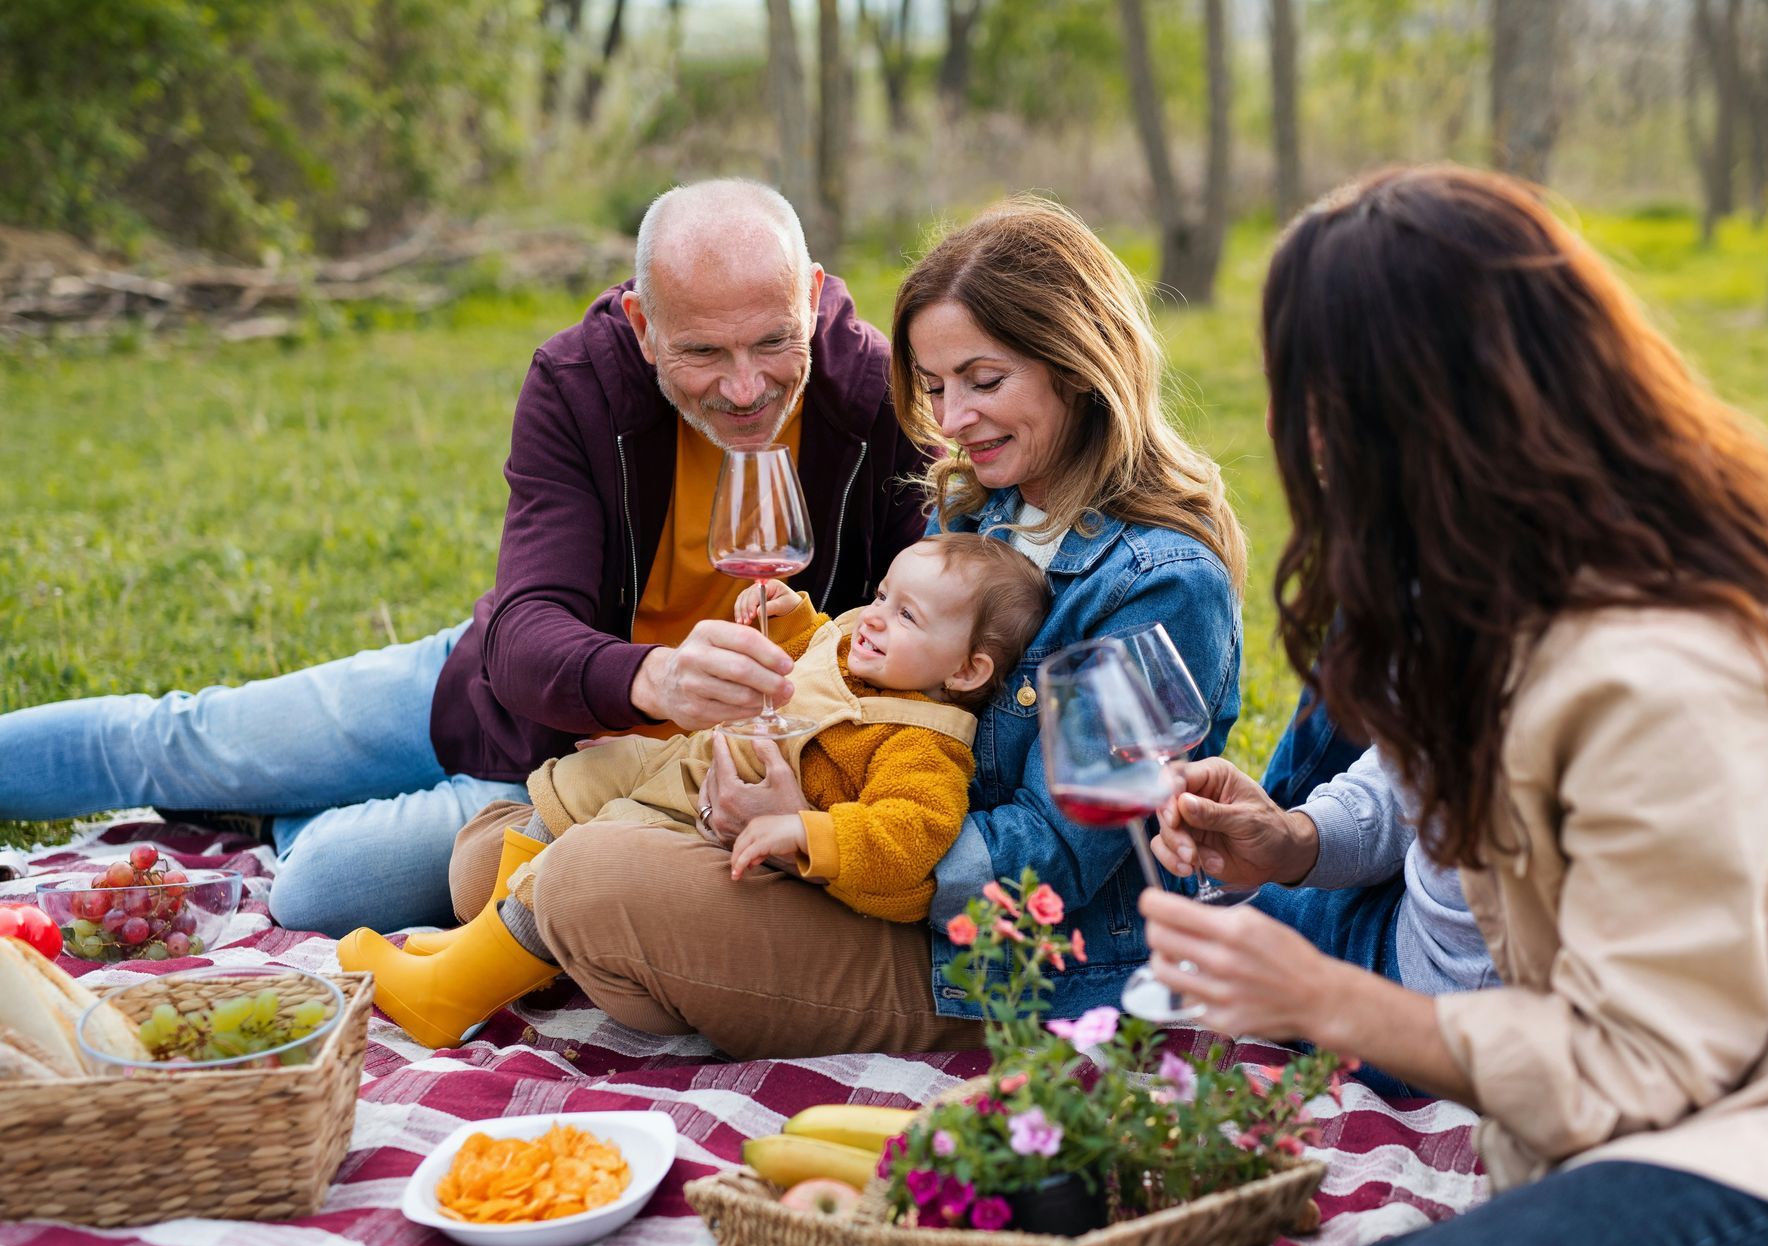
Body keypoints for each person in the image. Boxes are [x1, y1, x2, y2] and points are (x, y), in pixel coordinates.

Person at [1142, 166, 1768, 1246]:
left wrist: (1326, 998)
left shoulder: (1659, 667)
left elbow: (1642, 1062)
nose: (1289, 434)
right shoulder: (1514, 588)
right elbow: (1420, 782)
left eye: (1306, 395)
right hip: (1699, 1122)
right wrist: (1293, 842)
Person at [0, 178, 931, 936]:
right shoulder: (580, 383)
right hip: (509, 694)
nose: (744, 387)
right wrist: (653, 679)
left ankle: (273, 812)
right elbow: (525, 634)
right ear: (643, 325)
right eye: (702, 352)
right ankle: (260, 783)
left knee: (319, 886)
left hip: (613, 791)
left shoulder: (881, 404)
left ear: (810, 296)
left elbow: (915, 645)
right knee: (185, 740)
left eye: (773, 341)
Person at [435, 195, 1248, 1060]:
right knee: (488, 863)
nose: (953, 422)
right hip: (867, 858)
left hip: (996, 958)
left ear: (1079, 367)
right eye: (935, 389)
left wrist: (817, 836)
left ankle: (652, 957)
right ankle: (658, 962)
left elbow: (1052, 860)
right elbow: (890, 701)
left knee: (586, 883)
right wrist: (810, 677)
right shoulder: (982, 513)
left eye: (985, 381)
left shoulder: (1157, 585)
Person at [336, 534, 1051, 1049]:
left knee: (587, 850)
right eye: (882, 596)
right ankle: (493, 947)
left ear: (965, 672)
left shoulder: (923, 745)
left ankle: (448, 994)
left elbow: (907, 840)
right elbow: (813, 655)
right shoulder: (869, 652)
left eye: (906, 616)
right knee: (558, 803)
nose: (875, 617)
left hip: (720, 814)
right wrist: (790, 616)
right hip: (696, 761)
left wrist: (806, 831)